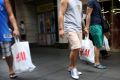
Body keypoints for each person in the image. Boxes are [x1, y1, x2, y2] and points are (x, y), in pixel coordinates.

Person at [59, 0, 83, 79]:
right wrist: (61, 29)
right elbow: (61, 14)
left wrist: (84, 27)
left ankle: (71, 67)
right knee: (76, 47)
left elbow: (80, 16)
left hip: (79, 29)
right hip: (70, 28)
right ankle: (73, 68)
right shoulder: (65, 0)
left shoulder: (79, 2)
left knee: (77, 49)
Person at [0, 0, 19, 79]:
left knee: (8, 54)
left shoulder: (4, 0)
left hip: (3, 31)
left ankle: (11, 69)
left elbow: (10, 14)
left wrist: (16, 28)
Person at [84, 0, 106, 69]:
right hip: (95, 25)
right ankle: (96, 63)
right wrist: (87, 27)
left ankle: (95, 61)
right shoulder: (91, 1)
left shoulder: (97, 2)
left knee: (98, 44)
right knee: (98, 44)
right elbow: (88, 14)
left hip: (98, 25)